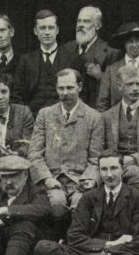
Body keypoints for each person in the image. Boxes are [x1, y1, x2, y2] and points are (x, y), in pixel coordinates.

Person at [39, 150, 139, 255]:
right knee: (43, 247)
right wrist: (107, 245)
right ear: (98, 172)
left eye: (114, 168)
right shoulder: (88, 198)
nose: (109, 175)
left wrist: (110, 251)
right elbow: (74, 236)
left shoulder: (138, 198)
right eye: (104, 169)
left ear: (123, 170)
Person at [28, 68, 105, 216]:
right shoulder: (45, 115)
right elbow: (34, 153)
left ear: (80, 87)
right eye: (61, 88)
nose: (65, 93)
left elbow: (96, 158)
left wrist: (89, 180)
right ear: (56, 89)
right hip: (53, 179)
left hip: (81, 181)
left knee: (80, 204)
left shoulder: (94, 117)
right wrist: (46, 178)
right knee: (57, 204)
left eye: (70, 87)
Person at [13, 9, 83, 114]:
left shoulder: (72, 59)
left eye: (51, 28)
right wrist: (25, 116)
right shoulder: (26, 61)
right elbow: (16, 95)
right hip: (32, 119)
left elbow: (81, 94)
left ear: (57, 30)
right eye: (42, 28)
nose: (47, 32)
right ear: (35, 31)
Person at [96, 22, 139, 111]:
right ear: (124, 44)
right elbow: (102, 103)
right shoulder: (111, 70)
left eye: (138, 41)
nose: (135, 45)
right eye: (130, 41)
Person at [63, 5, 121, 107]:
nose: (80, 25)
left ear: (97, 25)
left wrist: (101, 76)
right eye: (79, 21)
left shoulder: (110, 53)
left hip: (96, 111)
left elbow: (118, 89)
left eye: (86, 21)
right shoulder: (67, 48)